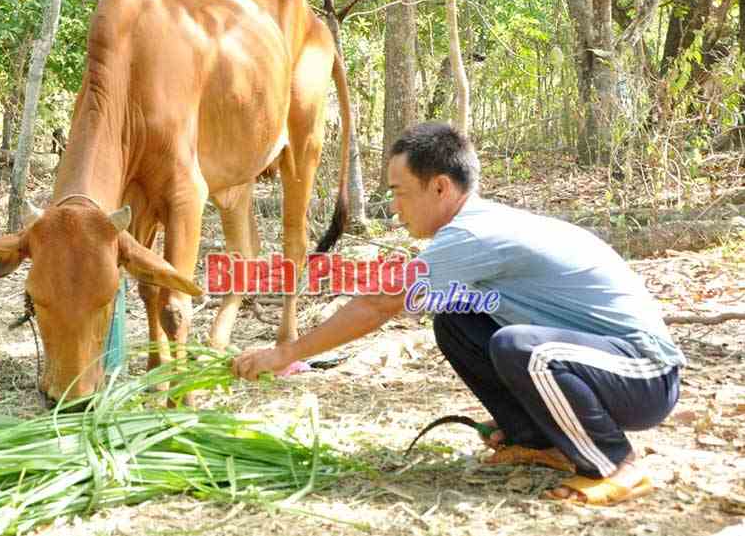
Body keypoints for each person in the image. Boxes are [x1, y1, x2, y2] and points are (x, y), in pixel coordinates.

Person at [232, 122, 685, 506]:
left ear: (440, 187)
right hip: (603, 365)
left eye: (400, 192)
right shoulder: (477, 227)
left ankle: (617, 464)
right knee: (457, 320)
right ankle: (539, 440)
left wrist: (285, 353)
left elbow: (379, 303)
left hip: (645, 373)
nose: (394, 208)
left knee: (522, 349)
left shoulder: (474, 236)